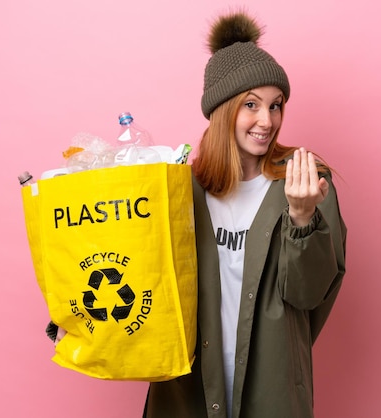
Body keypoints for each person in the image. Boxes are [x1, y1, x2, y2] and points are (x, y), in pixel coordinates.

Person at [142, 11, 347, 418]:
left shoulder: (305, 185)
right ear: (222, 110)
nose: (266, 121)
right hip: (186, 390)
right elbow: (145, 278)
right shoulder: (181, 190)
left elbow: (308, 298)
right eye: (250, 105)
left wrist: (303, 220)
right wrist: (80, 320)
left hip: (272, 390)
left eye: (276, 105)